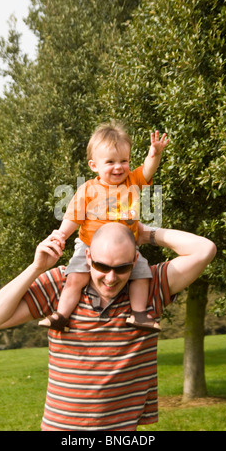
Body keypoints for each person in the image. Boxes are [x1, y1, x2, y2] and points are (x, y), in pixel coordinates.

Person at [0, 222, 216, 431]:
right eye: (102, 266)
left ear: (135, 261)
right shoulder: (59, 284)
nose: (111, 278)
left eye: (122, 268)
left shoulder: (150, 288)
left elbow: (204, 249)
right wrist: (36, 267)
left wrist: (146, 234)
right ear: (87, 257)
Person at [38, 121, 169, 333]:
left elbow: (147, 169)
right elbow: (73, 216)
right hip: (89, 245)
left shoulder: (133, 181)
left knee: (142, 274)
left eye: (124, 160)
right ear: (94, 166)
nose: (118, 167)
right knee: (75, 278)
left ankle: (139, 314)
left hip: (126, 248)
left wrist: (154, 154)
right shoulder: (88, 189)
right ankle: (61, 315)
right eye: (110, 162)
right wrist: (61, 234)